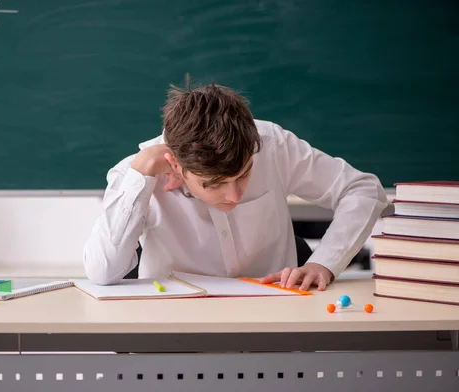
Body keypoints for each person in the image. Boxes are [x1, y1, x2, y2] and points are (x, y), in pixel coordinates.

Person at [83, 75, 388, 291]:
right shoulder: (136, 173)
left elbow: (362, 190)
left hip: (274, 325)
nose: (234, 196)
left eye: (243, 175)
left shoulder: (271, 144)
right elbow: (102, 272)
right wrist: (141, 173)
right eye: (214, 184)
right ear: (176, 164)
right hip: (177, 333)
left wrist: (324, 263)